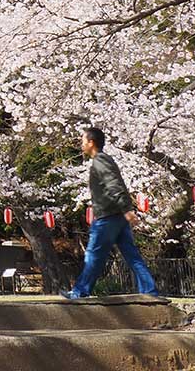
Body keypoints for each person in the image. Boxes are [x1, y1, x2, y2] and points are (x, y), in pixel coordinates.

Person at [64, 127, 161, 299]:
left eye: (83, 140)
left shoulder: (100, 161)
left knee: (93, 254)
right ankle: (149, 290)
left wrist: (127, 209)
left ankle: (80, 292)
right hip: (117, 216)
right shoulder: (105, 160)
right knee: (132, 255)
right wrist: (125, 210)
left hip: (107, 217)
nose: (81, 144)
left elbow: (113, 184)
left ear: (91, 142)